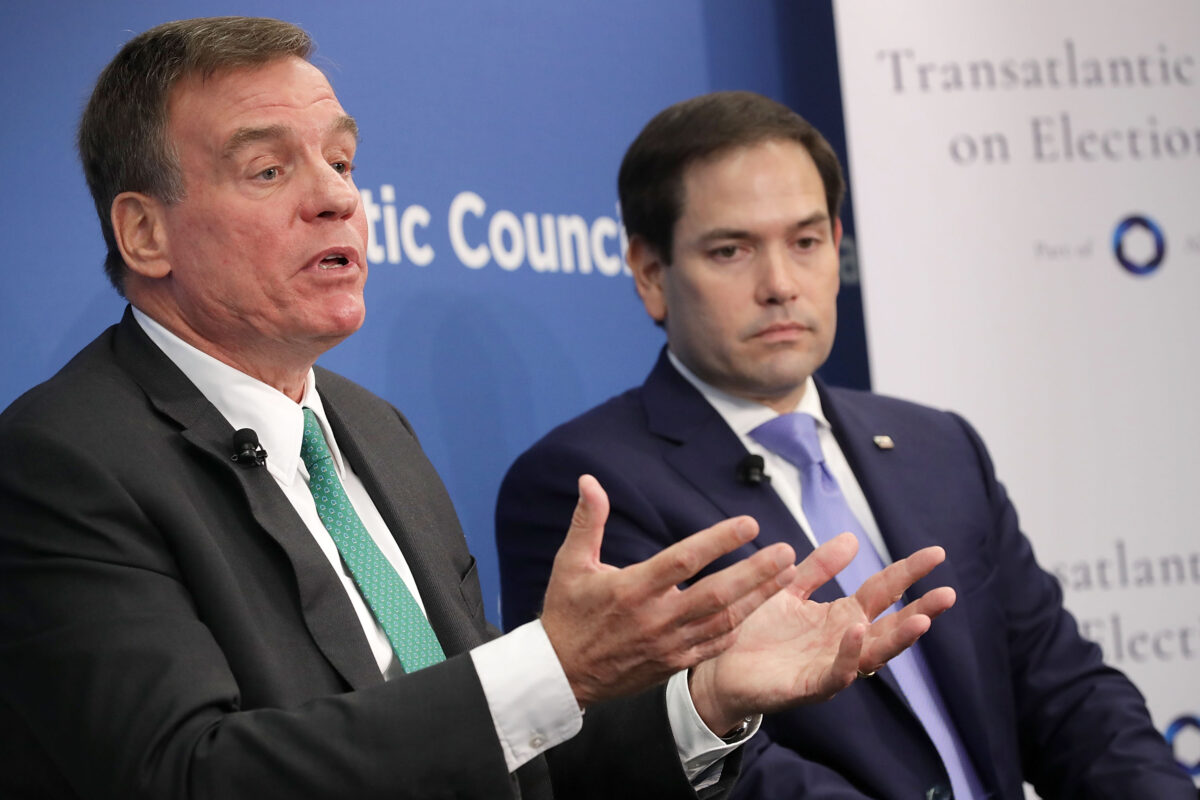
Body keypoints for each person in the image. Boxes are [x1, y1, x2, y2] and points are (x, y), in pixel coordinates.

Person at [0, 19, 957, 800]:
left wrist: (705, 700)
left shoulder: (373, 432)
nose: (336, 199)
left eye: (343, 161)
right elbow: (188, 776)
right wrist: (555, 666)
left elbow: (500, 749)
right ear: (145, 232)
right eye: (268, 170)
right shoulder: (63, 460)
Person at [495, 91, 1196, 800]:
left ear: (836, 243)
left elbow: (1069, 695)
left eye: (805, 242)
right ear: (651, 273)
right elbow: (694, 767)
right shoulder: (590, 488)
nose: (780, 285)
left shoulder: (940, 447)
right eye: (731, 250)